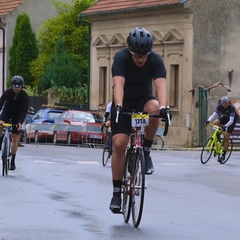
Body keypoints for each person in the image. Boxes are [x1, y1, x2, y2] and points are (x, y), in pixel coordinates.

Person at [109, 27, 168, 213]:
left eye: (144, 55)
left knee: (155, 108)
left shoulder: (156, 60)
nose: (141, 59)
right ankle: (117, 193)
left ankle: (147, 150)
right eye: (137, 55)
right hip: (124, 103)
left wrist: (165, 107)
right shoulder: (121, 58)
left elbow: (161, 86)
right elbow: (118, 84)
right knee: (119, 144)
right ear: (130, 51)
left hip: (143, 100)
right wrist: (118, 106)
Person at [0, 75, 28, 170]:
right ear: (12, 85)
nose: (16, 88)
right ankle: (0, 143)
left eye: (19, 86)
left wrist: (20, 122)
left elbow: (24, 111)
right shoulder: (7, 92)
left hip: (18, 115)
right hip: (7, 112)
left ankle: (12, 161)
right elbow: (0, 104)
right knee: (0, 124)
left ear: (21, 86)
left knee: (15, 138)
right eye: (15, 86)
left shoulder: (24, 95)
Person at [204, 96, 238, 162]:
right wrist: (208, 121)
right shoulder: (219, 107)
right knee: (215, 123)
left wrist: (225, 126)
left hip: (231, 121)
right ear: (221, 103)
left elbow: (231, 121)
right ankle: (218, 138)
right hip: (225, 117)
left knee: (227, 138)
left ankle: (223, 155)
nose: (225, 105)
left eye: (226, 103)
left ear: (228, 103)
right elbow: (213, 115)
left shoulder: (231, 108)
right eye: (224, 103)